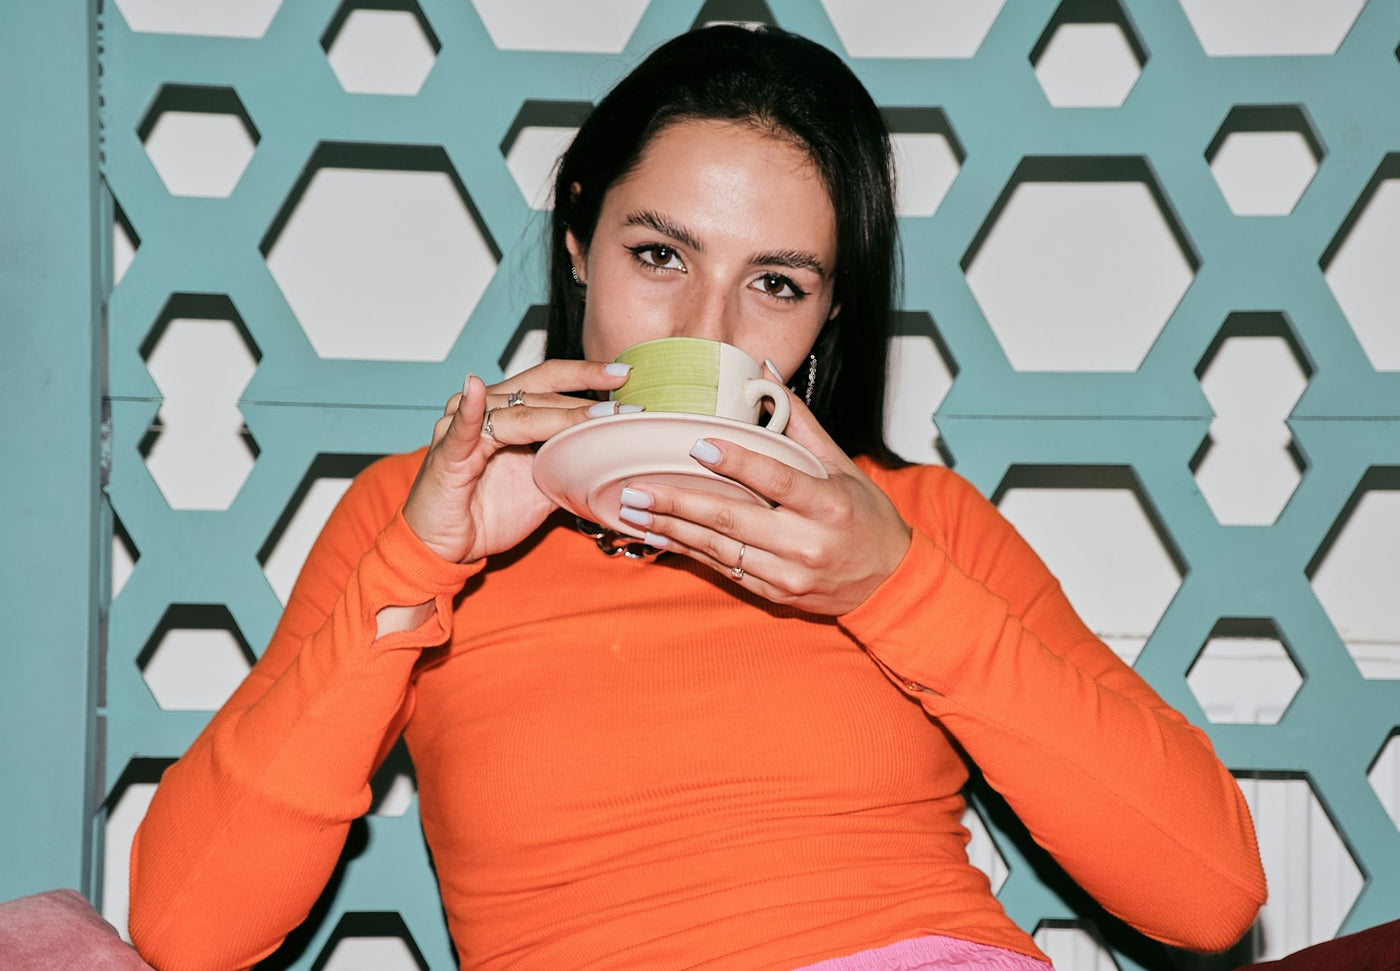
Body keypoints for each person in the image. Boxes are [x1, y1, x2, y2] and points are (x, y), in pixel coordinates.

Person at [128, 24, 1266, 971]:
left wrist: (892, 586)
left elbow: (1209, 892)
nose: (705, 332)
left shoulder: (912, 524)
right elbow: (186, 929)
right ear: (578, 236)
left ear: (827, 318)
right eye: (659, 256)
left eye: (774, 283)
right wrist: (419, 564)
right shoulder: (425, 514)